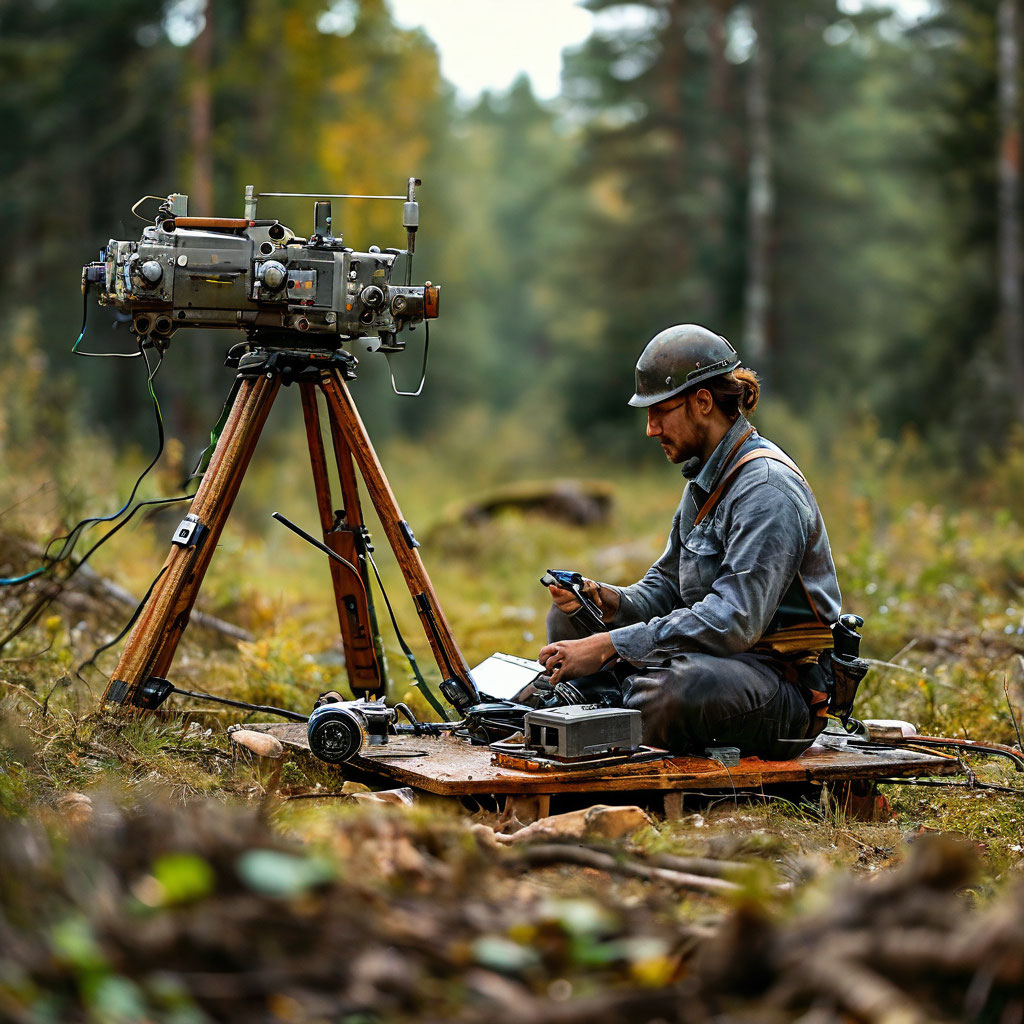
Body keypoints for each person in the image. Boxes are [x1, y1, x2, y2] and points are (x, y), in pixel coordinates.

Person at [537, 324, 843, 760]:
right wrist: (606, 601)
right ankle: (601, 704)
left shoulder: (767, 490)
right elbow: (665, 587)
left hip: (780, 688)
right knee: (569, 619)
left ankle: (591, 705)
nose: (650, 428)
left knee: (681, 687)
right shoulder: (704, 481)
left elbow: (733, 621)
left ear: (702, 402)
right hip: (716, 661)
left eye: (659, 411)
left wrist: (611, 646)